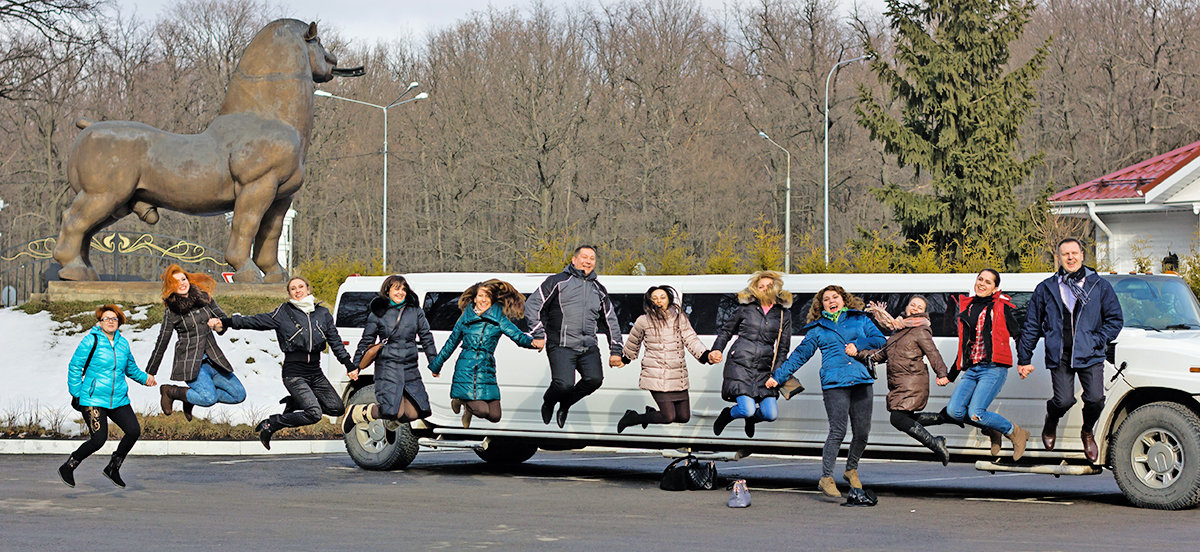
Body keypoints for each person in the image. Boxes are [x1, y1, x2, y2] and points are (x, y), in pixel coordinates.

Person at [209, 276, 356, 449]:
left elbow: (335, 342)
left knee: (337, 408)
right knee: (314, 414)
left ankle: (295, 402)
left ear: (308, 289)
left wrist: (349, 365)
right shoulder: (284, 313)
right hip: (294, 373)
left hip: (316, 373)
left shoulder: (323, 314)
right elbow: (254, 321)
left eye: (301, 286)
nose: (298, 290)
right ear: (290, 293)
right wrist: (225, 322)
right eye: (293, 288)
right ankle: (272, 423)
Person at [768, 285, 885, 498]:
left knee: (862, 432)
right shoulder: (817, 329)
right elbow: (799, 355)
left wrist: (858, 344)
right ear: (821, 306)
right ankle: (826, 477)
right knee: (837, 431)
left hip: (861, 380)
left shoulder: (860, 319)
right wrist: (778, 377)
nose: (831, 301)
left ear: (843, 300)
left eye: (835, 297)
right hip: (834, 384)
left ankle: (851, 469)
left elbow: (881, 341)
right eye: (826, 299)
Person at [1017, 238, 1123, 463]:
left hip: (1090, 353)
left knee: (1096, 399)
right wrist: (1024, 358)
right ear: (1059, 258)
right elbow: (1032, 325)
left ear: (1083, 255)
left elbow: (1115, 320)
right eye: (1065, 254)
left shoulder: (1099, 285)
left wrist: (1098, 339)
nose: (1070, 258)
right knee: (1063, 400)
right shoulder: (1046, 288)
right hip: (1060, 354)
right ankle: (1051, 420)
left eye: (1074, 253)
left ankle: (1087, 432)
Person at [525, 245, 624, 428]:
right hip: (561, 344)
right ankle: (549, 402)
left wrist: (616, 349)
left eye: (592, 258)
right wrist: (538, 333)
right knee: (563, 385)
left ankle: (566, 404)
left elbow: (611, 320)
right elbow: (532, 306)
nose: (588, 261)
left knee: (594, 380)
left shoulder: (599, 289)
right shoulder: (557, 281)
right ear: (574, 259)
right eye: (584, 257)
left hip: (588, 346)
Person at [59, 305, 156, 488]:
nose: (110, 321)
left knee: (133, 431)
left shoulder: (123, 344)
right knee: (98, 440)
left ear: (119, 322)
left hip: (118, 398)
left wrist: (146, 379)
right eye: (106, 318)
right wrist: (77, 393)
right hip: (93, 399)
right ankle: (69, 466)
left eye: (114, 319)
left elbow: (130, 369)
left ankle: (113, 467)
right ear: (100, 322)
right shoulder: (90, 341)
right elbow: (75, 367)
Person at [428, 279, 537, 428]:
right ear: (474, 298)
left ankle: (466, 405)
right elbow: (451, 343)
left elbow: (517, 336)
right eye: (480, 296)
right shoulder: (465, 318)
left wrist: (533, 343)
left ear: (492, 299)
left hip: (486, 368)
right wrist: (436, 366)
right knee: (481, 410)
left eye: (487, 296)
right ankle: (462, 401)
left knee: (494, 416)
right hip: (466, 367)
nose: (483, 299)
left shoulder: (499, 318)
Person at [858, 296, 952, 465]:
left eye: (919, 307)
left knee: (898, 418)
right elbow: (881, 354)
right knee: (904, 417)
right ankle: (943, 418)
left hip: (912, 380)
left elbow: (933, 353)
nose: (915, 308)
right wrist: (858, 353)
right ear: (907, 307)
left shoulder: (921, 330)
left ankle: (936, 443)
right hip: (898, 382)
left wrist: (942, 373)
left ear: (924, 312)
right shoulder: (898, 330)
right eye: (912, 305)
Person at [947, 269, 1029, 460]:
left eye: (988, 282)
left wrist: (1024, 362)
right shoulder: (967, 307)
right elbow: (963, 345)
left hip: (993, 368)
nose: (982, 284)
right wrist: (950, 375)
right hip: (972, 368)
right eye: (980, 279)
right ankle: (993, 429)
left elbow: (1018, 334)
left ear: (995, 288)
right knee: (954, 411)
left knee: (975, 412)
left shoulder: (1000, 306)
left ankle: (1015, 432)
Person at [147, 265, 245, 420]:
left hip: (213, 360)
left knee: (238, 395)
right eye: (175, 282)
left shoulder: (204, 298)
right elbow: (162, 342)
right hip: (191, 362)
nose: (181, 283)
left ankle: (190, 397)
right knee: (208, 399)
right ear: (170, 286)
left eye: (183, 279)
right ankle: (171, 391)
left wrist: (219, 325)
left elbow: (223, 319)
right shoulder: (172, 311)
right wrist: (151, 371)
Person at [343, 275, 438, 431]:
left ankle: (389, 425)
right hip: (388, 366)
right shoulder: (378, 313)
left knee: (417, 411)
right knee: (390, 410)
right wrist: (356, 366)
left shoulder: (415, 311)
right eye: (396, 289)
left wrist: (434, 363)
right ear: (387, 291)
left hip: (409, 367)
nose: (400, 292)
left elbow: (426, 336)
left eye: (403, 289)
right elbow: (367, 340)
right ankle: (357, 412)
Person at [616, 285, 714, 433]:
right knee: (668, 416)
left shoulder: (679, 318)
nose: (659, 301)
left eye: (662, 297)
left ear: (669, 299)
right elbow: (633, 341)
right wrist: (625, 359)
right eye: (654, 298)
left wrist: (706, 355)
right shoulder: (644, 321)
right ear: (650, 301)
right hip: (656, 374)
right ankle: (634, 418)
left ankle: (649, 414)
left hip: (677, 374)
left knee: (683, 417)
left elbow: (691, 339)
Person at [709, 271, 791, 438]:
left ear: (777, 288)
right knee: (746, 409)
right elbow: (726, 331)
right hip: (740, 364)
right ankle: (728, 414)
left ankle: (752, 419)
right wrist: (717, 349)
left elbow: (783, 348)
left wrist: (776, 374)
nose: (764, 289)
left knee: (770, 415)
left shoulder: (783, 314)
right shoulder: (745, 308)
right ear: (755, 289)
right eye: (760, 287)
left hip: (764, 368)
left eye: (769, 286)